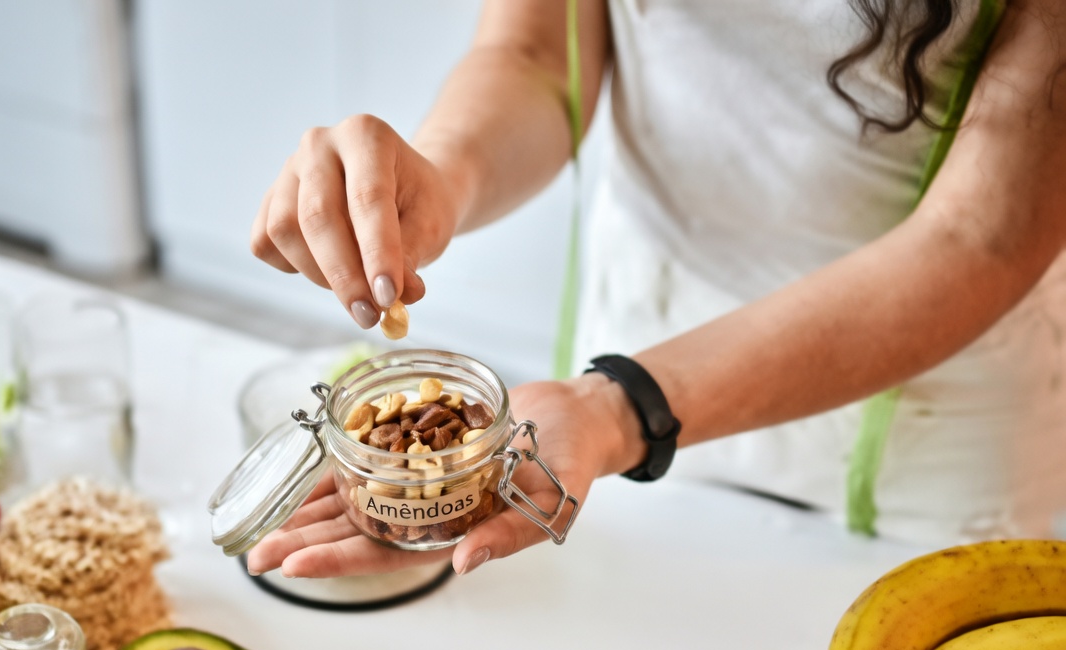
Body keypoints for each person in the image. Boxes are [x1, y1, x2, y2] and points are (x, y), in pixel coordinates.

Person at [245, 0, 1066, 579]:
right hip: (631, 349)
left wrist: (621, 408)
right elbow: (535, 50)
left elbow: (981, 237)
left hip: (923, 417)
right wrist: (440, 174)